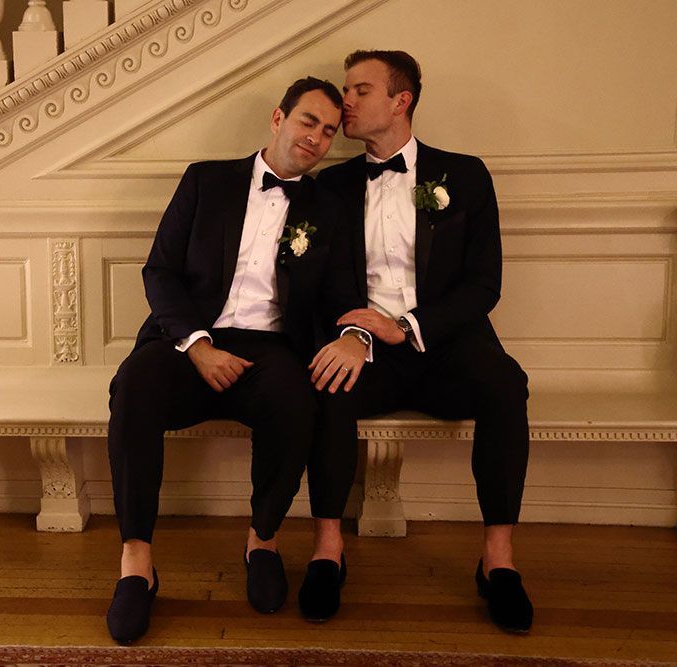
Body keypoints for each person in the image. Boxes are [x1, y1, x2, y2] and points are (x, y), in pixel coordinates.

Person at [105, 77, 368, 643]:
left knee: (296, 399)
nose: (317, 137)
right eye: (308, 121)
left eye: (328, 131)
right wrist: (198, 346)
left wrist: (353, 336)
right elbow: (160, 271)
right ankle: (137, 561)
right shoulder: (206, 180)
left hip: (272, 346)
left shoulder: (328, 207)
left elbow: (340, 292)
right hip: (188, 338)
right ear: (278, 118)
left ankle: (262, 540)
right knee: (133, 387)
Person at [303, 50, 534, 633]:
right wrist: (356, 333)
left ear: (400, 101)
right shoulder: (330, 186)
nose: (345, 101)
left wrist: (406, 326)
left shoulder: (466, 175)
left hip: (445, 344)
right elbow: (320, 281)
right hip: (366, 347)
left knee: (507, 385)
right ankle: (328, 549)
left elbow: (484, 284)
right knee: (326, 384)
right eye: (346, 90)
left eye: (360, 90)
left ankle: (498, 560)